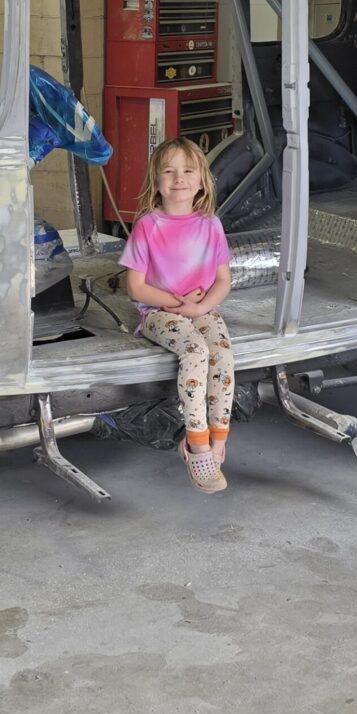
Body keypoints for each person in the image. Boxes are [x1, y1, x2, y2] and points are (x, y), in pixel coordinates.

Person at [121, 138, 234, 493]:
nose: (179, 178)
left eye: (188, 171)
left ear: (201, 181)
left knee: (222, 353)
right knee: (196, 351)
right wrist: (175, 302)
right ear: (156, 182)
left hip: (200, 307)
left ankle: (219, 438)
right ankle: (197, 444)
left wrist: (199, 307)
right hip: (158, 312)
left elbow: (223, 280)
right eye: (169, 171)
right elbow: (135, 288)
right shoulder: (147, 226)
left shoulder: (210, 224)